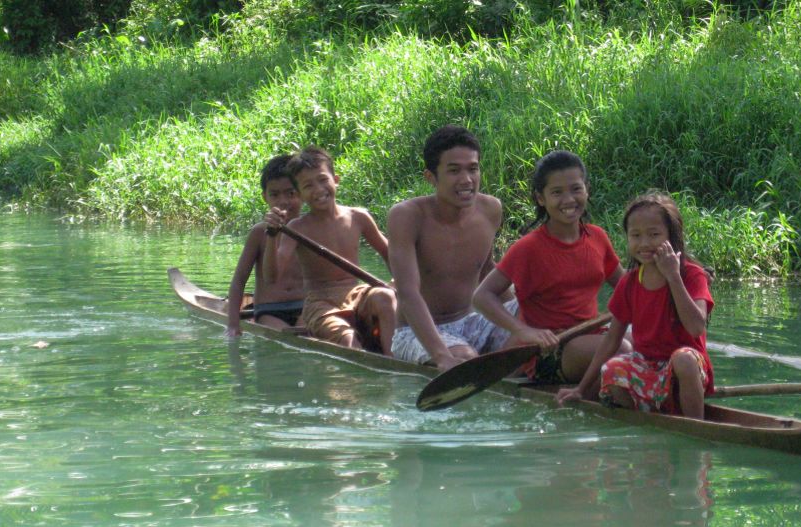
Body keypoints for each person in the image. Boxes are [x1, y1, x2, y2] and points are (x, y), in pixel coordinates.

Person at [473, 150, 631, 384]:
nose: (568, 200)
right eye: (557, 192)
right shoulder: (528, 248)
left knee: (645, 343)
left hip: (591, 337)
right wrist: (523, 331)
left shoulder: (598, 237)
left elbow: (628, 286)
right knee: (623, 349)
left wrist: (674, 277)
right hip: (547, 351)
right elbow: (482, 297)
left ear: (587, 189)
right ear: (541, 198)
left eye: (576, 189)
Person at [556, 191, 714, 419]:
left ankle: (696, 427)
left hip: (685, 368)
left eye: (654, 234)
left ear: (672, 236)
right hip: (647, 368)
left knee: (684, 359)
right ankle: (646, 415)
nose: (644, 243)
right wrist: (581, 388)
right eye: (636, 235)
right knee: (611, 369)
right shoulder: (629, 283)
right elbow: (611, 340)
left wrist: (673, 277)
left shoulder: (691, 275)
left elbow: (696, 328)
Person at [387, 124, 517, 371]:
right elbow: (407, 293)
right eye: (454, 171)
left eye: (473, 169)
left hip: (472, 322)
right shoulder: (406, 216)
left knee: (539, 310)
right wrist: (441, 355)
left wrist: (520, 315)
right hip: (416, 334)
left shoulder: (491, 209)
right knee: (464, 359)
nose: (466, 180)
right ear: (431, 177)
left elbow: (486, 270)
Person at [268, 146, 397, 353]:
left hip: (357, 294)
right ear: (300, 194)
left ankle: (395, 361)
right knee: (347, 339)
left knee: (385, 296)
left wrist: (403, 285)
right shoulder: (296, 228)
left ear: (335, 180)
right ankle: (358, 357)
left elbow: (389, 253)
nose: (318, 190)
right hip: (320, 303)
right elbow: (272, 276)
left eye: (322, 180)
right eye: (308, 186)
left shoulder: (358, 217)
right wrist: (271, 235)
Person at [226, 154, 305, 337]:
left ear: (302, 193)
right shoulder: (259, 233)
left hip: (306, 308)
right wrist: (232, 324)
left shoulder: (311, 228)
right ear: (265, 197)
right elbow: (239, 281)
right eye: (274, 194)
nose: (283, 201)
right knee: (282, 339)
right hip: (269, 310)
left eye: (290, 193)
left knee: (307, 334)